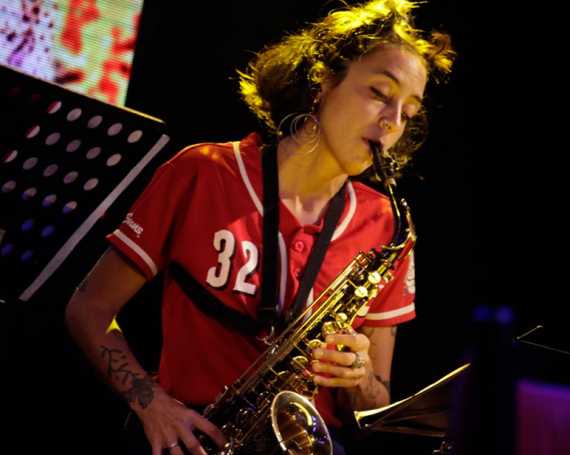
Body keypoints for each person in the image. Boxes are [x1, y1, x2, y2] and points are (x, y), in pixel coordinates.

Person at [65, 0, 455, 453]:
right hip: (195, 437)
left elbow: (376, 402)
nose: (392, 123)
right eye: (380, 93)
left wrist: (360, 375)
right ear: (322, 81)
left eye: (408, 112)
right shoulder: (204, 171)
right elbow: (89, 308)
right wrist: (152, 405)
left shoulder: (386, 225)